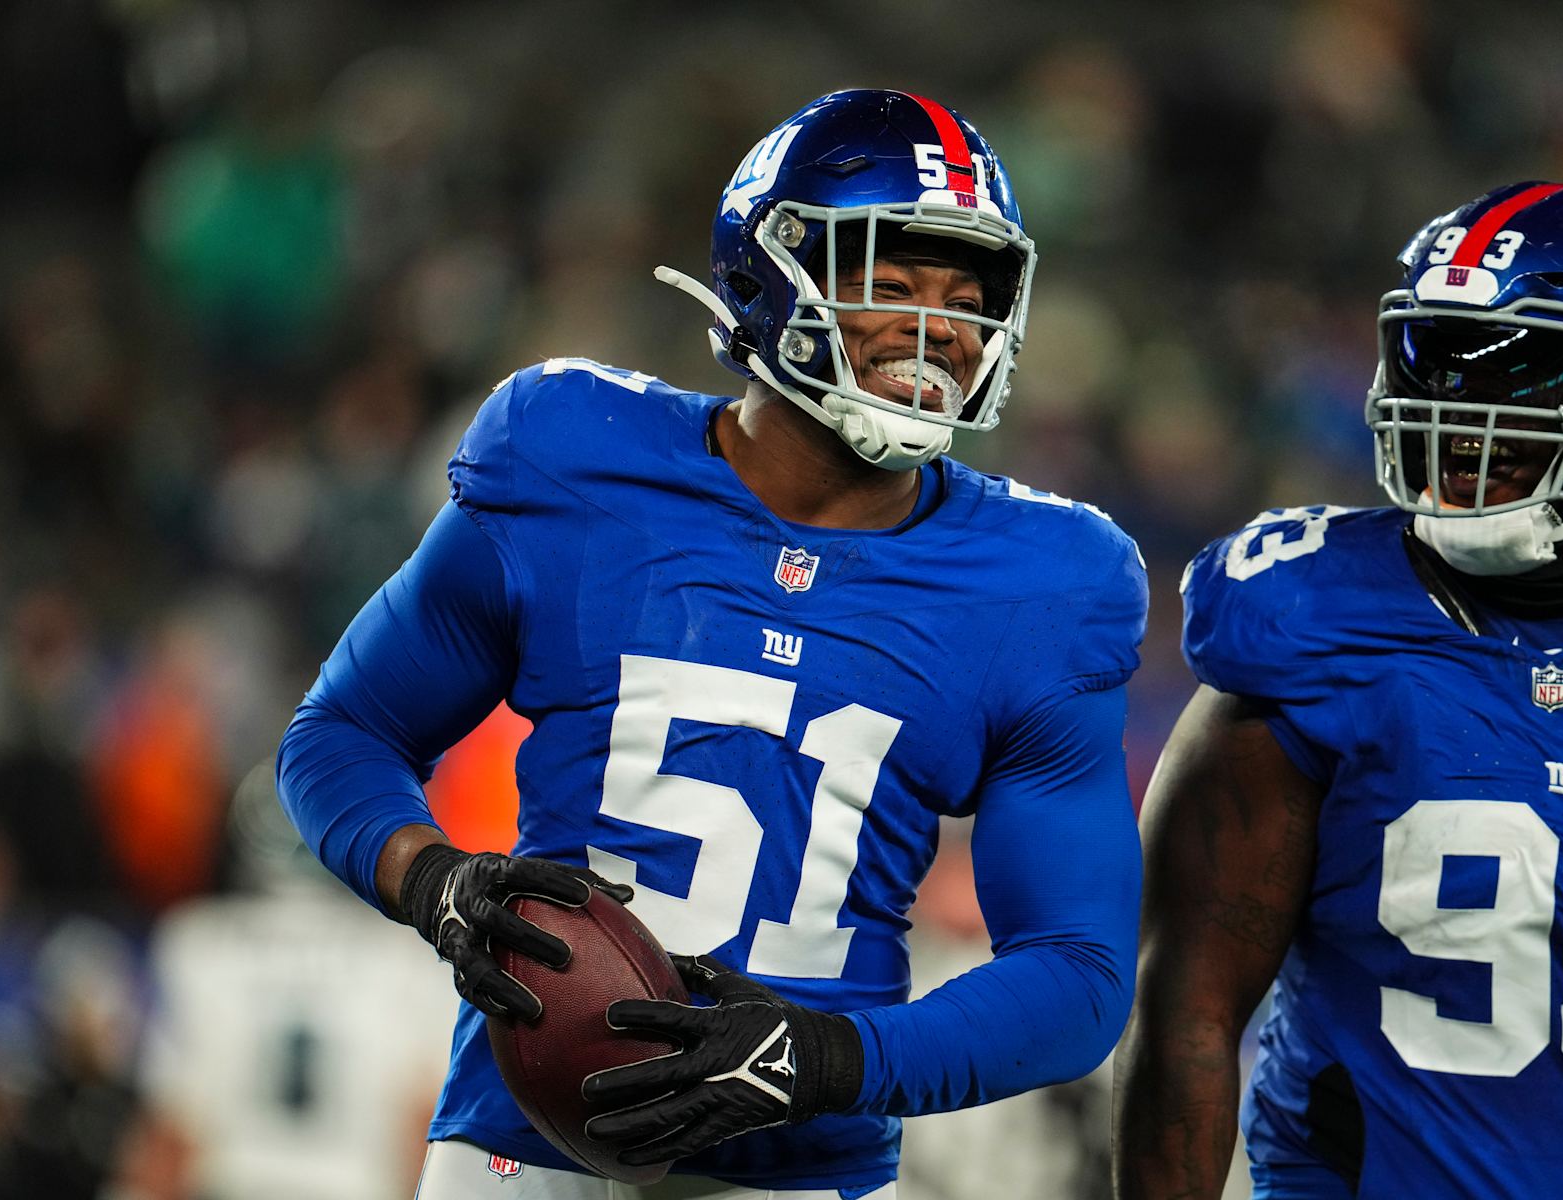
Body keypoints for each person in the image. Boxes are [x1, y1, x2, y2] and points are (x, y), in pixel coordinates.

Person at [278, 88, 1146, 1199]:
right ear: (768, 269)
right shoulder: (571, 456)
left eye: (967, 297)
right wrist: (433, 877)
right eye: (887, 280)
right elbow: (341, 733)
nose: (937, 330)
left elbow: (1077, 975)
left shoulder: (1049, 579)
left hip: (801, 1168)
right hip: (524, 1145)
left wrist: (828, 1058)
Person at [1112, 181, 1563, 1199]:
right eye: (1442, 356)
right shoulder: (1304, 620)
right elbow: (1187, 1014)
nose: (1465, 411)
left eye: (1535, 369)